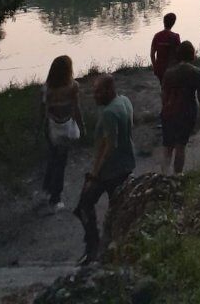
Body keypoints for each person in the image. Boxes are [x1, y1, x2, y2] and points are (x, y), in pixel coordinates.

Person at [73, 75, 135, 265]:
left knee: (84, 206)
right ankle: (113, 248)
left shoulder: (108, 112)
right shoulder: (124, 101)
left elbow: (110, 145)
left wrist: (94, 173)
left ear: (109, 90)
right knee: (117, 208)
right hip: (126, 164)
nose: (94, 95)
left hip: (110, 171)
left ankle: (93, 248)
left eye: (98, 91)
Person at [40, 55, 84, 211]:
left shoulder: (47, 88)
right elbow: (76, 108)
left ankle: (46, 190)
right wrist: (82, 126)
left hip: (51, 127)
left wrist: (41, 126)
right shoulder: (73, 87)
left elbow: (43, 110)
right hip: (65, 128)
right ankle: (55, 199)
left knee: (52, 159)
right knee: (61, 163)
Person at [161, 41, 200, 174]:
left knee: (167, 147)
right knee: (180, 146)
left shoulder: (169, 73)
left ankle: (164, 175)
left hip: (169, 112)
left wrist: (165, 110)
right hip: (187, 112)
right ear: (192, 54)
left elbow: (163, 95)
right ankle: (177, 176)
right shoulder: (197, 73)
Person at [150, 12, 181, 83]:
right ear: (173, 23)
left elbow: (152, 54)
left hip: (160, 68)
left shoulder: (157, 36)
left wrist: (155, 67)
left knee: (163, 86)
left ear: (164, 22)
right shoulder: (175, 36)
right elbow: (179, 54)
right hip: (172, 68)